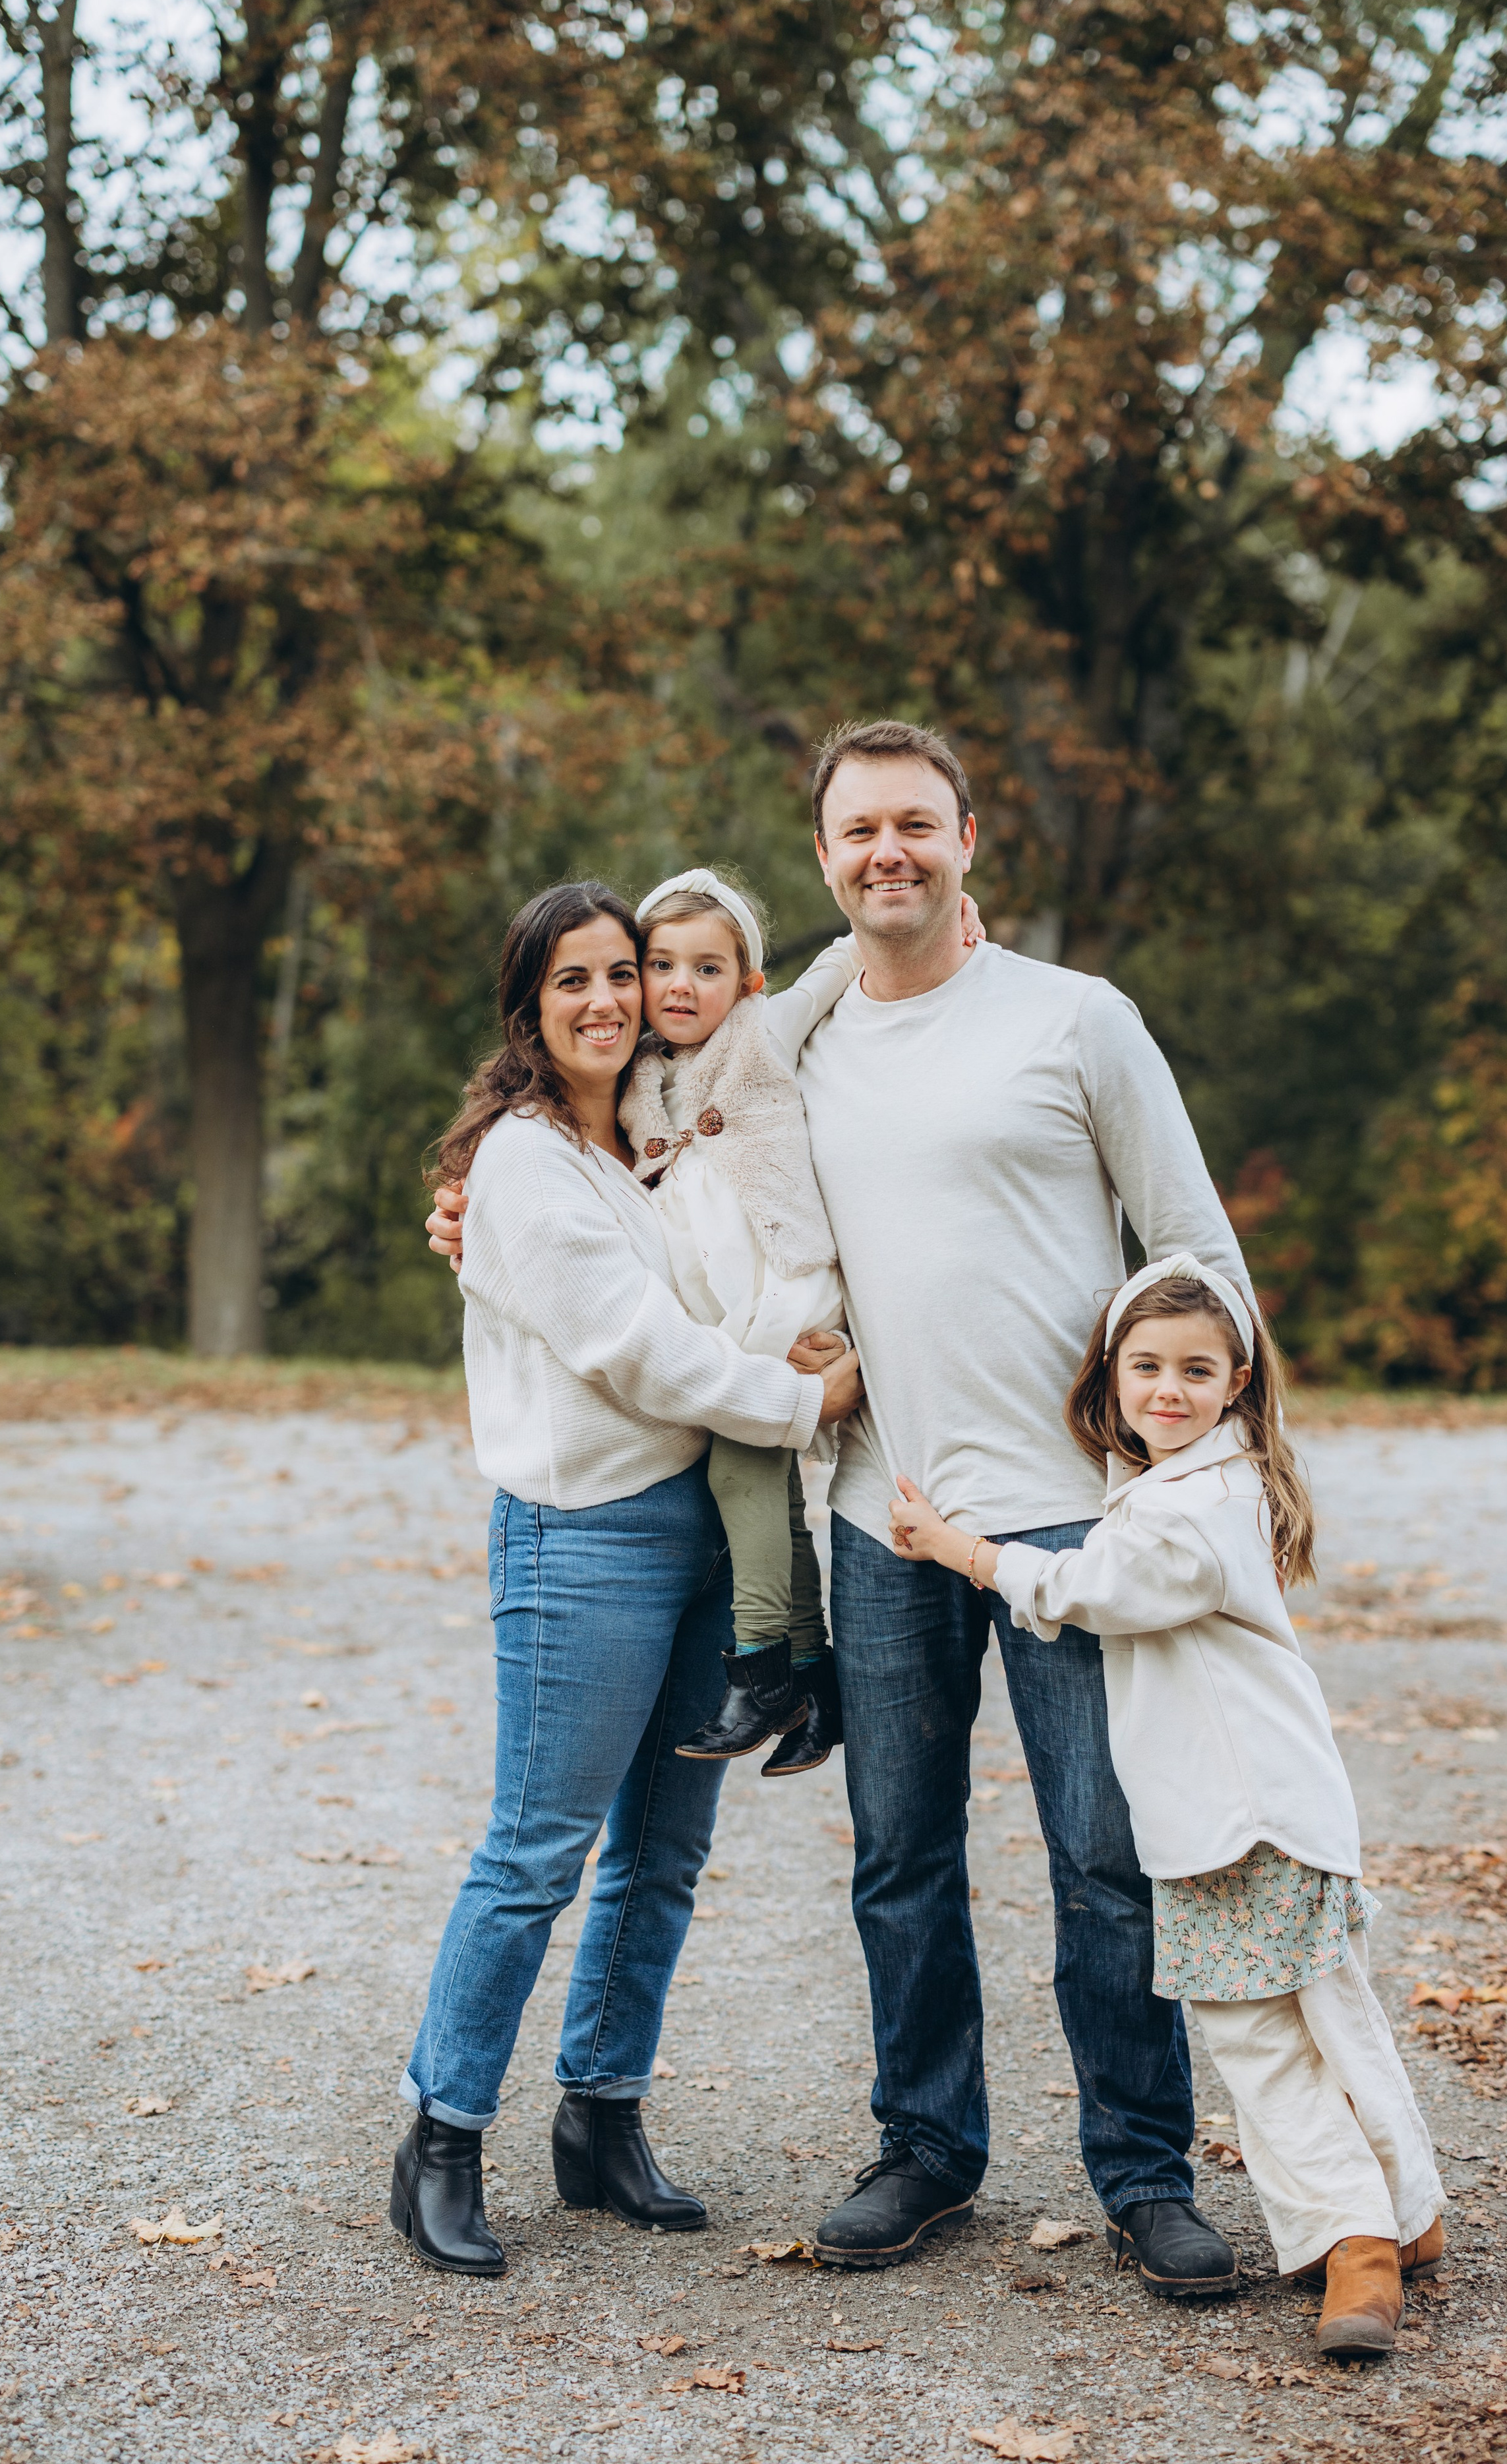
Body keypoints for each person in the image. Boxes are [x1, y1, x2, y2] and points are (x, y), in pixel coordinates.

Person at [429, 719, 1253, 2288]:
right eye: (858, 829)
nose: (888, 851)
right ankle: (924, 2147)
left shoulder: (1077, 1021)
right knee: (898, 1853)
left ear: (963, 840)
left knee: (1102, 1851)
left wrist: (1210, 1468)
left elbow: (1196, 1251)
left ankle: (1142, 2168)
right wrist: (477, 1206)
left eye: (914, 825)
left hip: (1070, 1517)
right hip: (879, 1517)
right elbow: (640, 1187)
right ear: (823, 861)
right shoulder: (783, 1045)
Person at [391, 880, 864, 2277]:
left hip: (696, 1528)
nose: (607, 999)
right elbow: (634, 1351)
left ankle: (600, 2118)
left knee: (664, 1850)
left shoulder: (649, 1133)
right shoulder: (526, 1162)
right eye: (573, 982)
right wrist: (797, 1407)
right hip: (581, 1534)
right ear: (530, 1009)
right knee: (537, 1849)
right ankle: (440, 2131)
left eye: (623, 973)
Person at [887, 1253, 1446, 2357]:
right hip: (1281, 1811)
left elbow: (1088, 1586)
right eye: (1146, 1366)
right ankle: (1406, 2209)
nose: (1167, 1391)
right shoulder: (1203, 1482)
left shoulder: (1189, 1509)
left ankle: (1358, 2249)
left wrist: (959, 1546)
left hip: (1236, 1822)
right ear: (1115, 1371)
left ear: (1237, 1379)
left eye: (1196, 1369)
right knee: (1329, 2018)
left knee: (1262, 2040)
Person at [620, 866, 852, 1774]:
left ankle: (759, 1667)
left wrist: (955, 912)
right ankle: (812, 1681)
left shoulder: (763, 1033)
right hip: (723, 1315)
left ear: (747, 982)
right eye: (662, 964)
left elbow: (836, 967)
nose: (682, 985)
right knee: (771, 1491)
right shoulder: (639, 1077)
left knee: (738, 1466)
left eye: (708, 968)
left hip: (781, 1292)